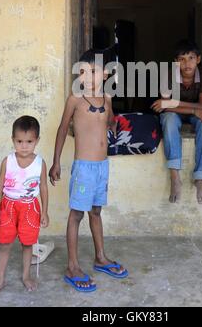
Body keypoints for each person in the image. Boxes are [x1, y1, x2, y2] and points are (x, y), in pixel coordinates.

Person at [49, 49, 128, 293]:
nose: (87, 77)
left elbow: (111, 121)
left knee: (96, 211)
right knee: (76, 215)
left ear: (105, 73)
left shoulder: (106, 98)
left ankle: (100, 257)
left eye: (92, 71)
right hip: (84, 168)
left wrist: (119, 124)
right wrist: (56, 162)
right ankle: (72, 266)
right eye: (82, 72)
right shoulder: (75, 98)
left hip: (102, 167)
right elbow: (63, 129)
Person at [0, 116, 49, 298]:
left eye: (29, 141)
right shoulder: (8, 161)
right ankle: (0, 281)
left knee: (27, 244)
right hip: (8, 207)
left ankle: (26, 276)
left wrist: (44, 211)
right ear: (13, 140)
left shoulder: (40, 163)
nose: (24, 146)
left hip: (30, 208)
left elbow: (43, 187)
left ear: (37, 140)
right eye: (19, 141)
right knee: (4, 244)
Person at [152, 40, 202, 205]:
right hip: (175, 114)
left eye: (191, 58)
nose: (187, 63)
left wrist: (173, 103)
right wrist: (193, 109)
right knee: (169, 120)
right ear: (175, 62)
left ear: (198, 60)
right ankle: (175, 176)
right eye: (182, 59)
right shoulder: (168, 74)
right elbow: (164, 108)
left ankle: (201, 178)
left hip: (192, 113)